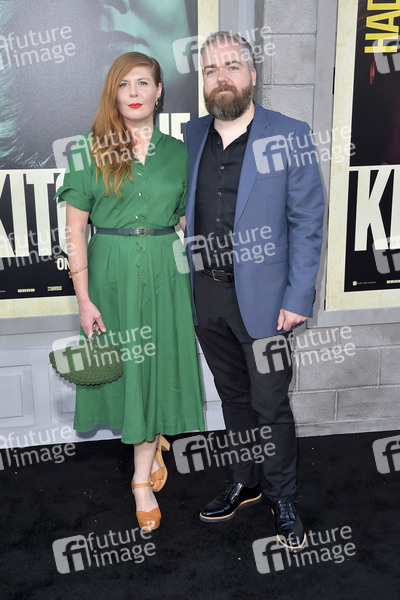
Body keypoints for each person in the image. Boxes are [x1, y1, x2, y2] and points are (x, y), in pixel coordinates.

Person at [183, 32, 325, 550]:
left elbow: (308, 221)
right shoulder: (192, 135)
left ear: (252, 75)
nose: (220, 77)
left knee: (271, 404)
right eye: (210, 69)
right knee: (234, 399)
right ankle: (246, 482)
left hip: (267, 303)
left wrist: (298, 296)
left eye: (231, 67)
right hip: (209, 298)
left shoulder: (289, 134)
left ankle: (282, 496)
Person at [55, 51, 205, 531]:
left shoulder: (180, 152)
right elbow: (75, 231)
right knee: (130, 369)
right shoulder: (89, 149)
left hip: (165, 270)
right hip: (111, 274)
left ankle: (141, 479)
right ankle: (150, 446)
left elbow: (187, 218)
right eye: (124, 84)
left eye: (143, 83)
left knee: (157, 365)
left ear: (159, 92)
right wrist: (84, 299)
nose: (134, 93)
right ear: (113, 93)